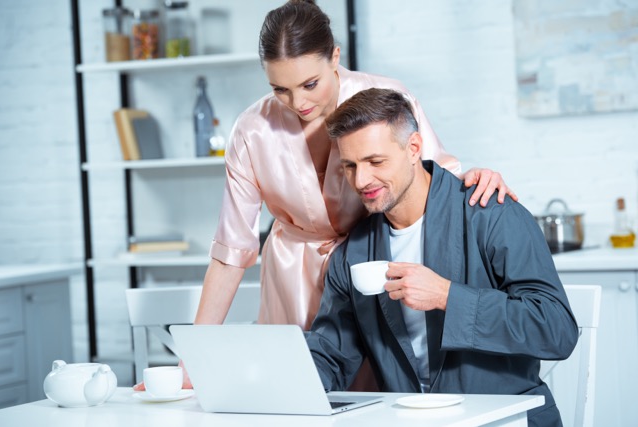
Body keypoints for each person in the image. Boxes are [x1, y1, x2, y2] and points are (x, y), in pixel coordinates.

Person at [135, 0, 516, 390]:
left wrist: (475, 176)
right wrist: (191, 362)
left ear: (335, 56)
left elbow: (433, 179)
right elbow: (231, 253)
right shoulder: (251, 130)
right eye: (280, 89)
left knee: (372, 398)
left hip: (369, 274)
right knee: (293, 391)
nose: (298, 103)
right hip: (290, 279)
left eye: (310, 84)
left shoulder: (385, 97)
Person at [305, 87, 579, 427]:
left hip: (508, 420)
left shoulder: (490, 214)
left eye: (375, 162)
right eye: (350, 166)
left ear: (414, 148)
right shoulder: (354, 253)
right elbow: (331, 354)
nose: (361, 180)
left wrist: (447, 296)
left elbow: (557, 330)